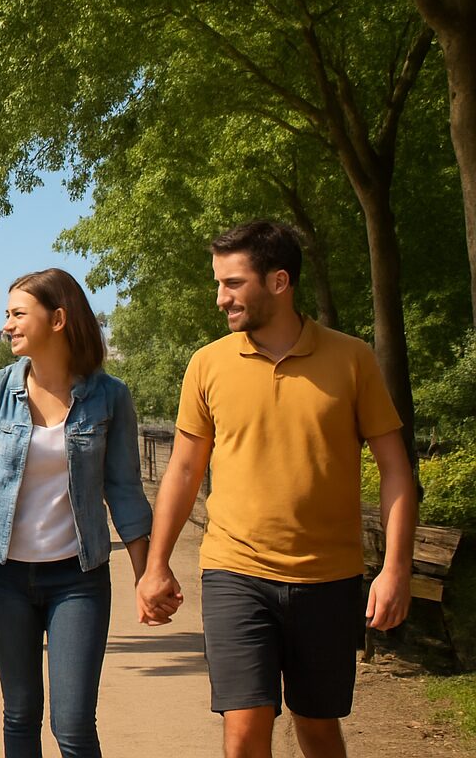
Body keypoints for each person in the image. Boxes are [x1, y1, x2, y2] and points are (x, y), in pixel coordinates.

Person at [136, 220, 416, 758]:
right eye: (218, 283)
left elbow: (396, 469)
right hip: (235, 573)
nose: (221, 298)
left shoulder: (352, 358)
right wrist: (156, 565)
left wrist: (395, 568)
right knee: (244, 731)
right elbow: (184, 470)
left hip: (329, 578)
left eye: (233, 283)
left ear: (280, 281)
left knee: (316, 729)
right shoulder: (207, 364)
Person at [0, 268, 151, 758]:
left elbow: (124, 492)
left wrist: (148, 574)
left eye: (18, 314)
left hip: (78, 578)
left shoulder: (109, 396)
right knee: (20, 715)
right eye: (6, 315)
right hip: (3, 577)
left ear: (58, 318)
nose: (7, 325)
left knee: (73, 725)